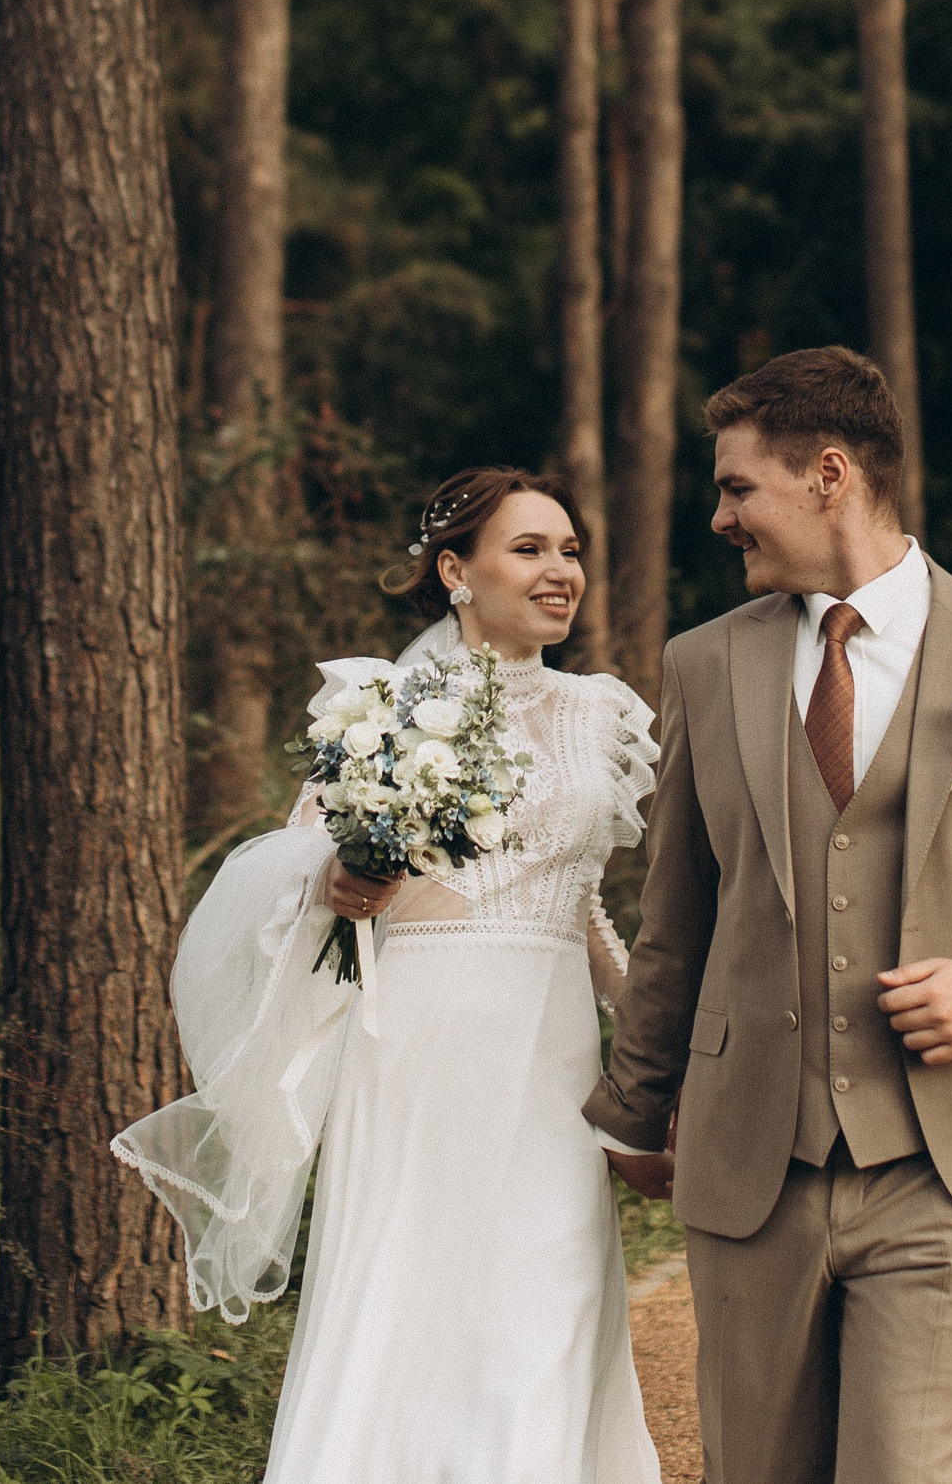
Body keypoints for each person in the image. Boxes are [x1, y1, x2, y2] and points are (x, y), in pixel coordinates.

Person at [586, 346, 952, 1484]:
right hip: (754, 1161)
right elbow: (676, 920)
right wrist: (634, 1106)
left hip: (948, 1170)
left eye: (737, 486)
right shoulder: (703, 665)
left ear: (829, 473)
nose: (719, 517)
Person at [114, 466, 663, 1484]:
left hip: (551, 1054)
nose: (559, 571)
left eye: (570, 549)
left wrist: (649, 1040)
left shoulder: (600, 711)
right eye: (529, 548)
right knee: (413, 1296)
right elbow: (306, 874)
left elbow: (575, 897)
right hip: (420, 1041)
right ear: (455, 569)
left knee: (550, 1295)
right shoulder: (383, 705)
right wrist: (348, 880)